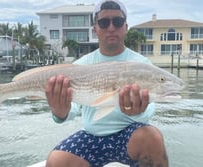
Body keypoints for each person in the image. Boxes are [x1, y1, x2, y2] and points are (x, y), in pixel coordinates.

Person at [45, 0, 168, 166]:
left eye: (117, 22)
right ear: (95, 29)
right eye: (103, 22)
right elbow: (72, 109)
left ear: (125, 27)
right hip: (91, 135)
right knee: (56, 161)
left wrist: (138, 112)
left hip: (129, 134)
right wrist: (59, 113)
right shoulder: (80, 65)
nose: (111, 28)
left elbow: (150, 107)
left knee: (153, 138)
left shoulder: (142, 64)